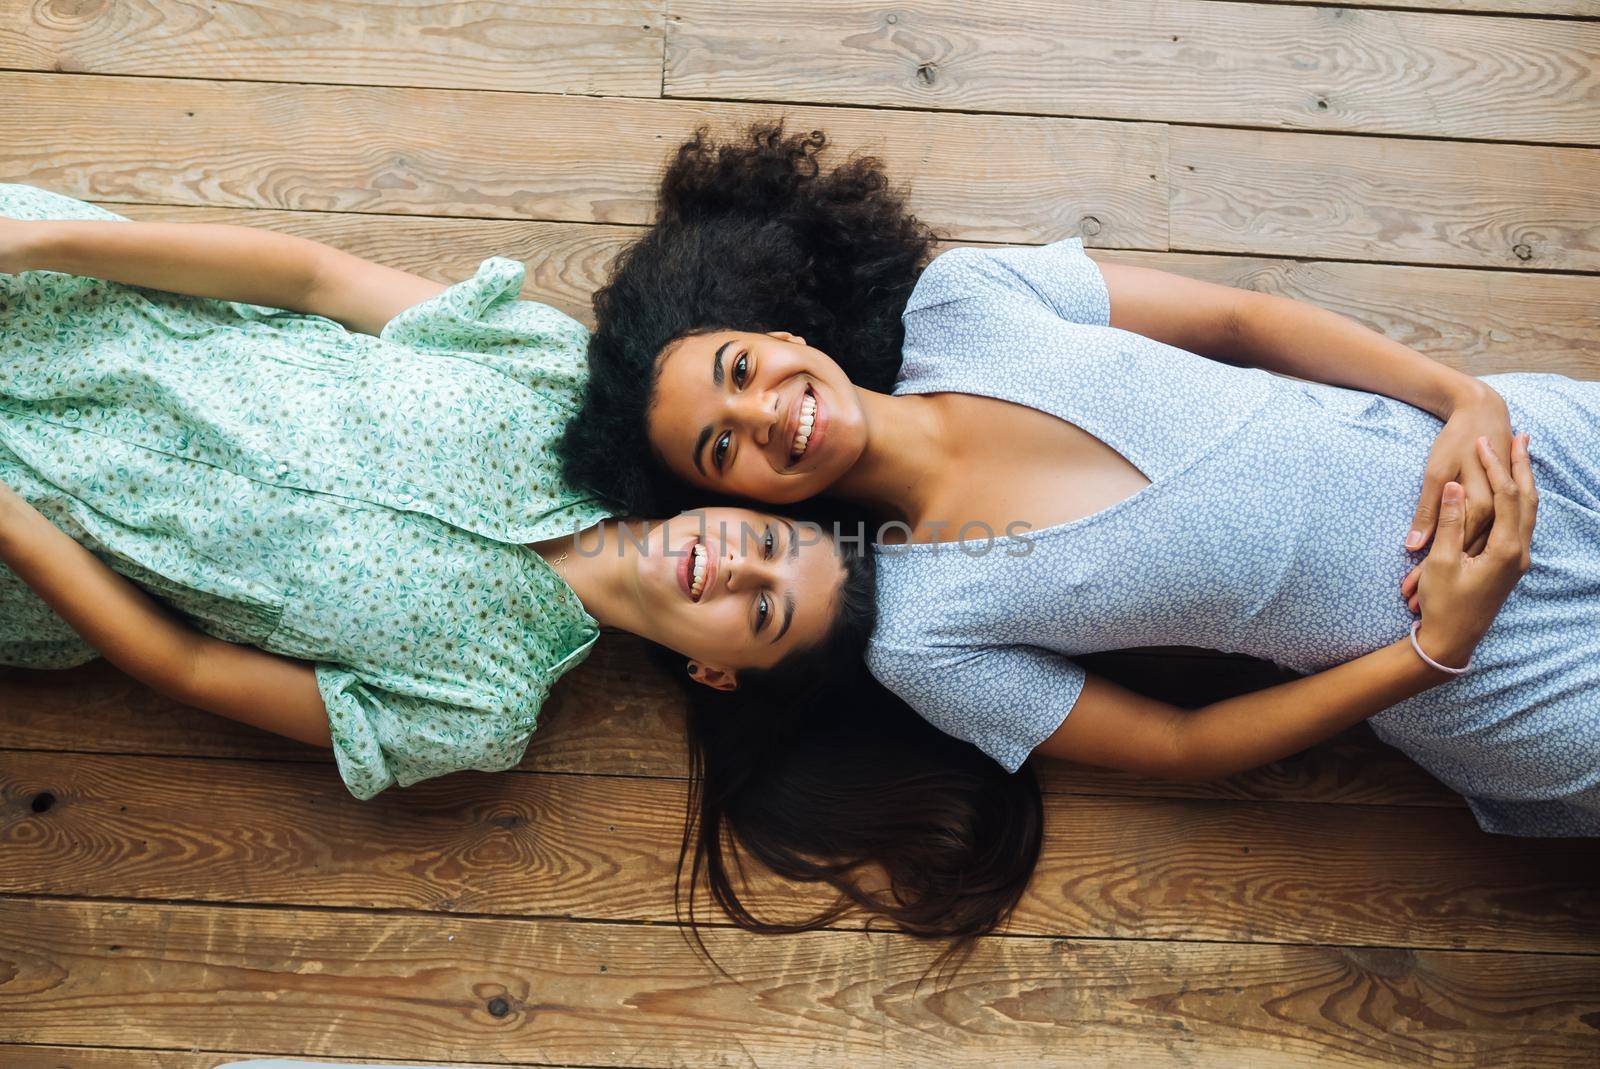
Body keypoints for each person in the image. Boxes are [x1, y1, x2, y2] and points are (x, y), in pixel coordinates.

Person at [559, 124, 1599, 837]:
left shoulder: (966, 300)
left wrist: (1460, 395)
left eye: (738, 370)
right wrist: (1433, 654)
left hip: (1501, 449)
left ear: (778, 331)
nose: (763, 411)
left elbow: (1240, 323)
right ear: (735, 498)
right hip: (1486, 673)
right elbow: (1178, 742)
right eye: (719, 447)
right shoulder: (923, 633)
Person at [0, 183, 870, 800]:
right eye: (763, 545)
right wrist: (31, 244)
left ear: (715, 673)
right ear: (739, 508)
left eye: (762, 613)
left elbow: (185, 666)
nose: (732, 570)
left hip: (31, 535)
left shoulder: (476, 712)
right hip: (67, 306)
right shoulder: (557, 374)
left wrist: (12, 521)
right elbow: (311, 281)